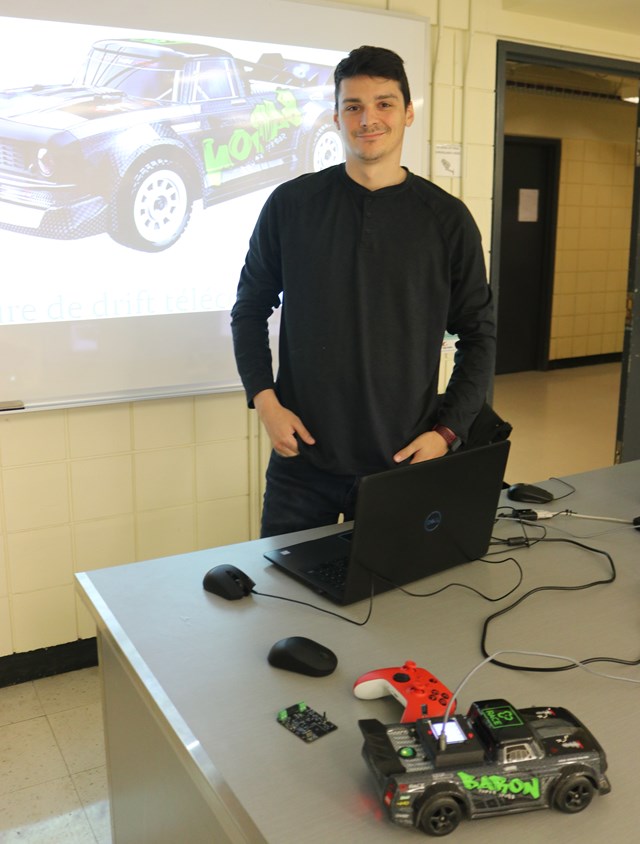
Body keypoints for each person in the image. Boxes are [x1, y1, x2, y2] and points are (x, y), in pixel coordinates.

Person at [231, 45, 496, 537]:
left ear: (408, 112)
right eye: (353, 106)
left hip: (400, 463)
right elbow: (249, 309)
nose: (367, 118)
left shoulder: (447, 220)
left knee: (391, 606)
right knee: (284, 607)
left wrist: (447, 432)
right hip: (301, 467)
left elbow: (480, 335)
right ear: (336, 117)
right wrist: (265, 401)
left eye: (384, 103)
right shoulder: (292, 206)